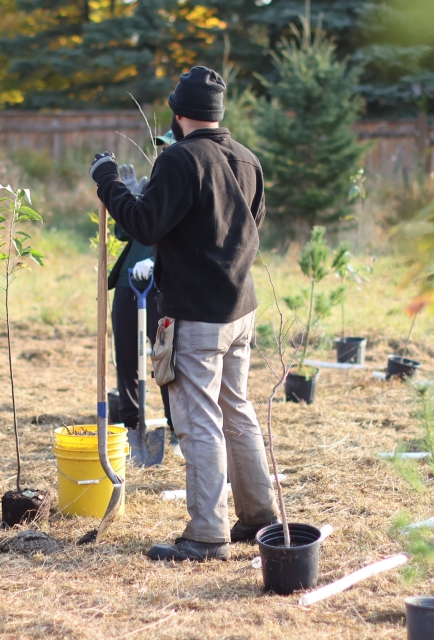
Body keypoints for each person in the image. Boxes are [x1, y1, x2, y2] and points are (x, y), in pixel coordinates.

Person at [89, 66, 278, 562]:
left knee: (199, 422)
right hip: (240, 310)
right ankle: (260, 517)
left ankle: (207, 535)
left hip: (197, 317)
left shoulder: (180, 159)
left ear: (177, 116)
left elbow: (142, 224)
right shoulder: (248, 160)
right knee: (237, 412)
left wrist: (107, 179)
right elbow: (251, 225)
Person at [107, 133, 175, 432]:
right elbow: (124, 233)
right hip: (128, 282)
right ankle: (132, 425)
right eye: (161, 147)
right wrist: (133, 200)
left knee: (164, 358)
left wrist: (156, 260)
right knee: (126, 357)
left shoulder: (189, 185)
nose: (164, 152)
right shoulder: (155, 185)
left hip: (162, 286)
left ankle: (176, 424)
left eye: (169, 146)